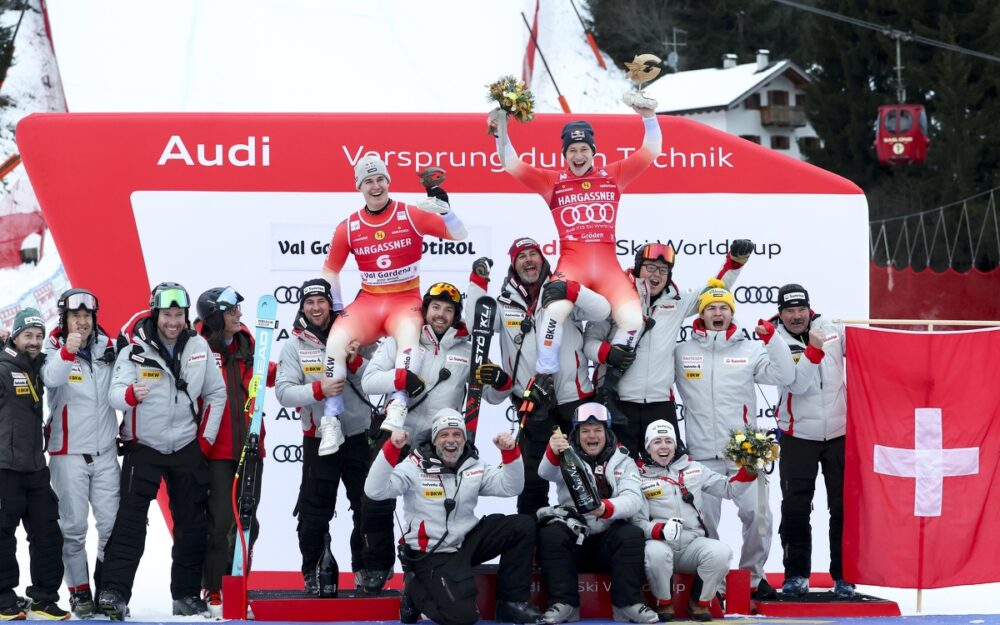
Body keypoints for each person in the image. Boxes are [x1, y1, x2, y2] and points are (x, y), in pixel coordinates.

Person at [490, 90, 661, 402]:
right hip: (572, 266)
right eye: (572, 150)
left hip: (608, 269)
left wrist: (648, 117)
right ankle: (544, 375)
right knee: (553, 312)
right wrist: (501, 125)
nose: (578, 155)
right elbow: (510, 163)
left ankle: (610, 383)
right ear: (564, 154)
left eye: (584, 149)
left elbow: (651, 151)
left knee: (634, 321)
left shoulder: (614, 174)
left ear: (593, 151)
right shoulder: (552, 182)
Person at [319, 157, 468, 455]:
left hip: (405, 299)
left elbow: (459, 234)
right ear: (359, 187)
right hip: (369, 301)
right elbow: (330, 270)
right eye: (368, 181)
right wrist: (336, 311)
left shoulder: (410, 213)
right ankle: (331, 420)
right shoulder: (348, 226)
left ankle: (398, 403)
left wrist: (447, 212)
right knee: (335, 342)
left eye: (380, 180)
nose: (376, 186)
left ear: (388, 181)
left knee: (410, 335)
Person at [98, 283, 227, 620]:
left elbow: (216, 394)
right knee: (129, 523)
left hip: (186, 445)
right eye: (167, 314)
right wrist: (129, 394)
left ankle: (185, 595)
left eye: (179, 315)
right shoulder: (133, 349)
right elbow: (113, 394)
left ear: (186, 317)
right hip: (144, 447)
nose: (173, 321)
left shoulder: (199, 346)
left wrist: (204, 442)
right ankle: (114, 593)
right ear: (156, 314)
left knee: (191, 524)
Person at [465, 238, 611, 515]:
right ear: (513, 265)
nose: (529, 260)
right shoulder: (504, 302)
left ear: (543, 260)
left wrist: (573, 289)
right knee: (532, 478)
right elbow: (478, 323)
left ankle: (590, 540)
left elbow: (602, 310)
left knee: (585, 475)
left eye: (534, 254)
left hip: (573, 399)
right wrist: (477, 284)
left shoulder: (561, 292)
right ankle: (532, 546)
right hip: (531, 402)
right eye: (522, 257)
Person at [672, 280, 795, 600]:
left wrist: (774, 341)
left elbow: (784, 377)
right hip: (701, 453)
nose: (717, 312)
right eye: (711, 307)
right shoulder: (682, 351)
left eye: (724, 308)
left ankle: (755, 578)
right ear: (701, 314)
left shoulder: (750, 348)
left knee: (758, 515)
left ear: (731, 313)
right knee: (702, 524)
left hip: (744, 453)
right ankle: (716, 584)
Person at [364, 409, 542, 625]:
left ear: (464, 438)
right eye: (444, 435)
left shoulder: (473, 464)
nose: (451, 441)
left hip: (466, 541)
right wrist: (391, 448)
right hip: (432, 552)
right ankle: (414, 591)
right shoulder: (414, 465)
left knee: (522, 525)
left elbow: (511, 487)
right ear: (435, 439)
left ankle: (511, 603)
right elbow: (374, 491)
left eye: (457, 434)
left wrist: (511, 453)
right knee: (464, 617)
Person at [584, 240, 753, 454]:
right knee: (619, 472)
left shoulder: (678, 302)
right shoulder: (614, 294)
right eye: (650, 267)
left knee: (665, 476)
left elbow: (716, 290)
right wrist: (608, 354)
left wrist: (735, 262)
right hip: (618, 402)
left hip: (659, 403)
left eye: (663, 270)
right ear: (638, 268)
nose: (656, 274)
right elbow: (589, 342)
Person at [274, 278, 373, 595]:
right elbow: (285, 393)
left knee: (366, 507)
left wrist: (356, 359)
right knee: (315, 511)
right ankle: (314, 572)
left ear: (331, 304)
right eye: (309, 302)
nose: (316, 308)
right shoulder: (294, 346)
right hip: (319, 438)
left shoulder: (354, 332)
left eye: (321, 301)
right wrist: (318, 389)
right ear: (302, 307)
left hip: (358, 434)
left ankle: (365, 570)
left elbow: (376, 377)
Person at [770, 284, 853, 599]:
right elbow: (794, 384)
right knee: (795, 508)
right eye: (789, 311)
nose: (795, 316)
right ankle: (795, 575)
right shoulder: (774, 342)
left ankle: (845, 575)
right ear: (781, 313)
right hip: (797, 436)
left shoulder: (832, 330)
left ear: (809, 309)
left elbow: (869, 351)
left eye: (800, 309)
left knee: (843, 508)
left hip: (839, 434)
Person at [537, 402, 655, 624]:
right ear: (576, 434)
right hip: (576, 536)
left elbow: (633, 499)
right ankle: (565, 604)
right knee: (551, 533)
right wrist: (552, 451)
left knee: (631, 533)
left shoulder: (625, 460)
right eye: (585, 431)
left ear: (607, 432)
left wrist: (605, 509)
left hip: (608, 539)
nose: (592, 436)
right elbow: (545, 473)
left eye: (597, 430)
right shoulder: (566, 455)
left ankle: (626, 605)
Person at [41, 289, 119, 618]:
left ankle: (106, 589)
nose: (82, 322)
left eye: (87, 316)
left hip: (104, 452)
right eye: (76, 317)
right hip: (68, 453)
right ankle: (79, 592)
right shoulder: (53, 347)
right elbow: (49, 378)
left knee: (112, 526)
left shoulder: (108, 346)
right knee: (73, 529)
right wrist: (67, 354)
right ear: (65, 319)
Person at [633, 420, 757, 622]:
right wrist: (659, 530)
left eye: (668, 441)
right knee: (655, 552)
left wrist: (748, 471)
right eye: (656, 441)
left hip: (692, 542)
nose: (663, 446)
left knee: (721, 551)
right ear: (647, 447)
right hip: (659, 542)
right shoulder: (637, 475)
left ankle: (699, 603)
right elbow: (635, 521)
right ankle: (665, 603)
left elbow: (728, 489)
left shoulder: (693, 468)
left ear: (676, 445)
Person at [193, 286, 263, 615]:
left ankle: (238, 585)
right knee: (219, 521)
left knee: (248, 522)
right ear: (216, 315)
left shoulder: (249, 346)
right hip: (217, 451)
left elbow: (268, 375)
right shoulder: (199, 349)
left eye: (238, 310)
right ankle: (214, 588)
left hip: (250, 448)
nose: (238, 315)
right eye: (231, 310)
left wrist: (317, 372)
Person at [0, 309, 71, 621]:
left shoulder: (39, 367)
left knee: (48, 533)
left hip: (35, 467)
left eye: (39, 336)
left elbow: (59, 360)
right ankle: (3, 598)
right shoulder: (3, 368)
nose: (35, 341)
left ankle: (43, 599)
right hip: (4, 467)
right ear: (15, 336)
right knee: (3, 534)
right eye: (28, 335)